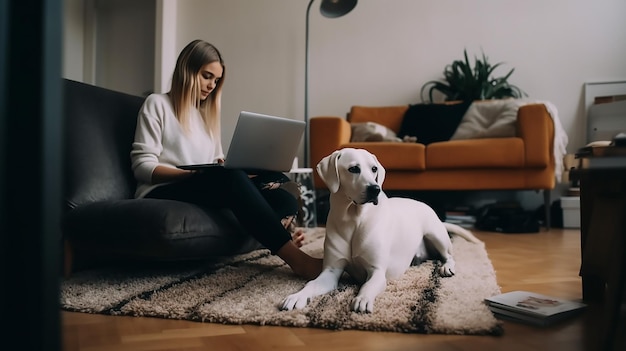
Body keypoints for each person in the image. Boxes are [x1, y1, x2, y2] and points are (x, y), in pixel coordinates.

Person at [130, 39, 322, 279]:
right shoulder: (157, 104)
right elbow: (142, 166)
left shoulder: (205, 117)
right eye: (206, 76)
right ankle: (296, 259)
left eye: (216, 80)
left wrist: (238, 168)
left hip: (202, 186)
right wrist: (192, 174)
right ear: (187, 71)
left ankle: (277, 234)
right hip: (162, 188)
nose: (212, 85)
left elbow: (216, 160)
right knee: (229, 178)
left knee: (283, 196)